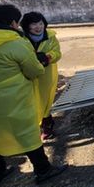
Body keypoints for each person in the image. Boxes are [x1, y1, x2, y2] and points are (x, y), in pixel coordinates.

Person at [0, 4, 67, 186]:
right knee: (26, 132)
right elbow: (35, 71)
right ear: (13, 23)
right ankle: (43, 169)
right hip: (11, 97)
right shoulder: (17, 43)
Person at [20, 12, 62, 141]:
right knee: (30, 101)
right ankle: (33, 128)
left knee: (45, 100)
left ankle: (47, 126)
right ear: (27, 26)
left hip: (46, 75)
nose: (38, 27)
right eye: (34, 24)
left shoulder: (50, 36)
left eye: (40, 23)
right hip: (27, 75)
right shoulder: (21, 38)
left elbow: (57, 53)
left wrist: (47, 57)